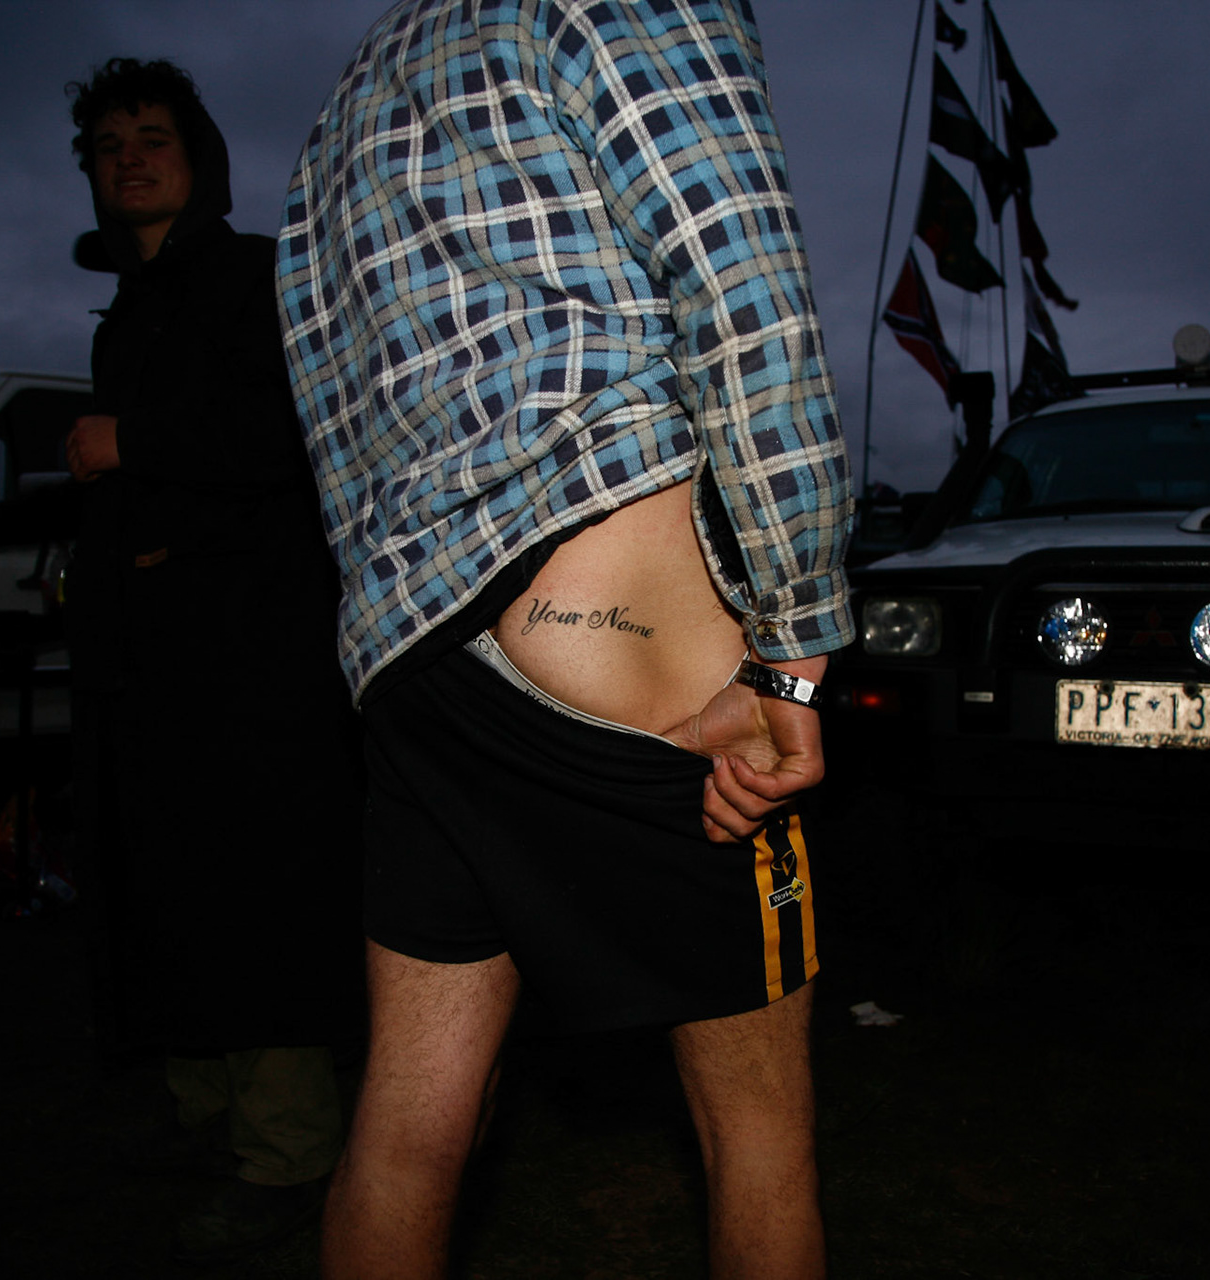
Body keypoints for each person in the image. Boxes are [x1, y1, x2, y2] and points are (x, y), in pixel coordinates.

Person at [277, 3, 852, 1276]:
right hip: (619, 632)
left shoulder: (358, 87)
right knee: (758, 1138)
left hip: (411, 662)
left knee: (406, 1125)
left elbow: (332, 402)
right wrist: (797, 643)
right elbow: (746, 298)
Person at [55, 57, 357, 1264]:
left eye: (153, 136)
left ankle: (289, 1154)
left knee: (251, 899)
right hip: (155, 662)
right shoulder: (133, 307)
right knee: (166, 885)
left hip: (248, 659)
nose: (130, 155)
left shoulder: (251, 275)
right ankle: (208, 1117)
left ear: (200, 156)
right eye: (109, 143)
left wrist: (131, 439)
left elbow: (295, 433)